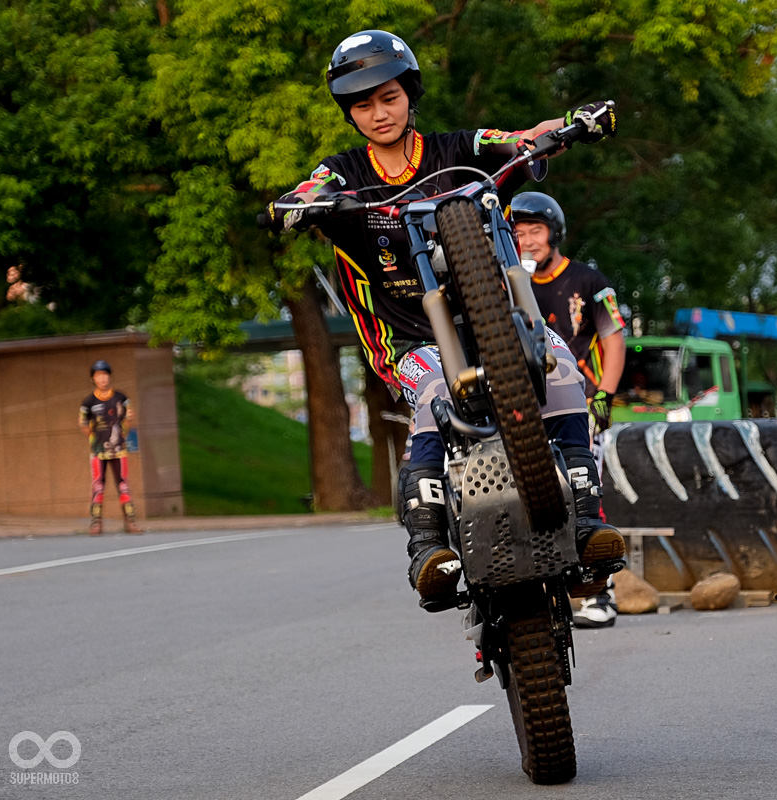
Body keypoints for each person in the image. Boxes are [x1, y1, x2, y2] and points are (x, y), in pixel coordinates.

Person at [262, 30, 623, 607]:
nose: (378, 113)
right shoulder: (344, 173)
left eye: (388, 97)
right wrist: (297, 203)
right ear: (349, 113)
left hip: (494, 324)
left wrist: (568, 126)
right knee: (436, 394)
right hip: (405, 339)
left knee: (560, 370)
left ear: (410, 94)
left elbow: (514, 140)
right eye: (362, 104)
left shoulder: (457, 148)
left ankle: (584, 520)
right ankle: (428, 546)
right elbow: (313, 185)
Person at [512, 192, 626, 628]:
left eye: (535, 232)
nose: (527, 242)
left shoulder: (587, 279)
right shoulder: (503, 282)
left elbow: (613, 339)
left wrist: (605, 395)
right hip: (520, 405)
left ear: (553, 233)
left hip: (580, 401)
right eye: (518, 234)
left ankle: (601, 594)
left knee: (585, 491)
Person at [79, 360, 141, 535]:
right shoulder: (88, 402)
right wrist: (94, 438)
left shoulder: (121, 398)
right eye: (98, 376)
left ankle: (130, 521)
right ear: (93, 379)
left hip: (119, 450)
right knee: (98, 485)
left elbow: (129, 418)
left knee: (123, 485)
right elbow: (83, 424)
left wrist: (121, 435)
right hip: (98, 451)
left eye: (105, 375)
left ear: (109, 377)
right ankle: (96, 522)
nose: (102, 379)